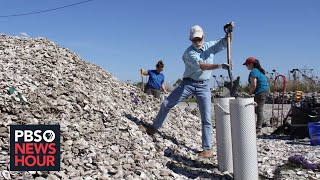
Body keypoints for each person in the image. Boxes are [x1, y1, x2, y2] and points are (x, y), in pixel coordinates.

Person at [145, 23, 233, 158]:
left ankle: (207, 149)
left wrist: (229, 33)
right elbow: (202, 66)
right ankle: (154, 128)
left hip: (204, 86)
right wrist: (219, 66)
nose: (197, 42)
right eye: (194, 39)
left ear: (203, 37)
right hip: (188, 84)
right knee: (166, 104)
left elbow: (226, 42)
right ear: (190, 39)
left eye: (199, 39)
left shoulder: (210, 46)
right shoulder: (189, 53)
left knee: (206, 117)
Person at [243, 57, 270, 134]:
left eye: (247, 65)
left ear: (251, 64)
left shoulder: (253, 72)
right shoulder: (259, 71)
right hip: (264, 90)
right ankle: (262, 122)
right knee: (256, 109)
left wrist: (250, 93)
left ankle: (259, 128)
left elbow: (254, 85)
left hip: (261, 91)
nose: (246, 66)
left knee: (259, 109)